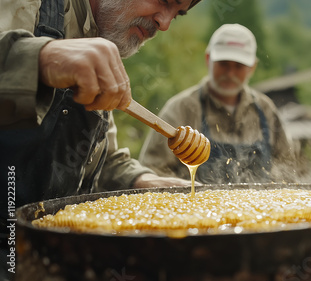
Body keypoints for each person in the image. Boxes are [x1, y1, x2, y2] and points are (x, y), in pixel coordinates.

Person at [0, 0, 202, 273]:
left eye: (176, 15)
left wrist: (141, 180)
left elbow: (99, 158)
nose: (164, 24)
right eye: (164, 1)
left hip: (44, 262)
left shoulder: (103, 46)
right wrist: (40, 58)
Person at [140, 24, 295, 184]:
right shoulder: (181, 109)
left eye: (238, 66)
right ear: (208, 59)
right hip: (195, 209)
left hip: (260, 209)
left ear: (252, 67)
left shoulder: (266, 109)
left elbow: (288, 168)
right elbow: (153, 173)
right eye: (223, 64)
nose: (230, 73)